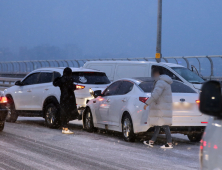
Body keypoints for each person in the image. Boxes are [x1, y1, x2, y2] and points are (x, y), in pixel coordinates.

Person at [143, 67, 173, 149]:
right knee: (158, 124)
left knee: (164, 124)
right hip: (163, 106)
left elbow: (156, 94)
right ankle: (151, 141)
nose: (153, 75)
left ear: (158, 73)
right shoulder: (165, 82)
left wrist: (147, 103)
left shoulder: (160, 82)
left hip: (160, 107)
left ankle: (169, 143)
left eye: (154, 73)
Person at [53, 67, 78, 134]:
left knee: (63, 112)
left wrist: (59, 78)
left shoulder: (61, 79)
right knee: (68, 113)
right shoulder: (70, 79)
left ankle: (64, 127)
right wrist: (74, 87)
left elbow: (55, 83)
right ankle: (65, 128)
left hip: (63, 97)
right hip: (69, 98)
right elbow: (70, 88)